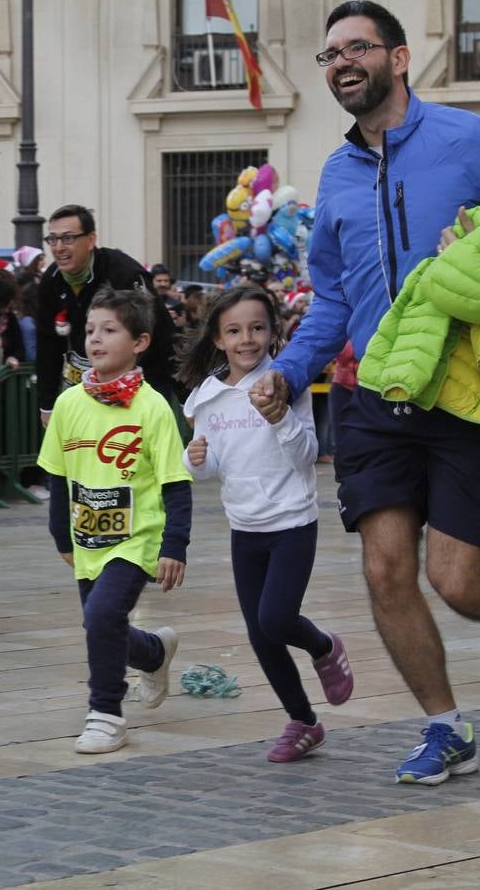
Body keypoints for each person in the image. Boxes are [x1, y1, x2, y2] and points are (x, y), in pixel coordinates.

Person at [250, 0, 480, 786]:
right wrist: (290, 371)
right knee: (385, 570)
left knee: (455, 578)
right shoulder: (333, 175)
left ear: (399, 58)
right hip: (375, 397)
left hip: (467, 392)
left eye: (357, 48)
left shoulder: (469, 141)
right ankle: (445, 725)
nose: (342, 63)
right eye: (330, 55)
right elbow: (330, 298)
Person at [178, 286, 354, 763]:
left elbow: (306, 455)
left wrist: (277, 417)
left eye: (257, 328)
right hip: (245, 527)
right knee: (260, 635)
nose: (247, 339)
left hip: (293, 521)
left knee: (275, 618)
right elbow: (208, 469)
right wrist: (194, 458)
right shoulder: (207, 398)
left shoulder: (284, 384)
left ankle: (323, 646)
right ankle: (303, 722)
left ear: (274, 332)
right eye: (234, 330)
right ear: (218, 339)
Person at [37, 286, 189, 754]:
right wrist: (61, 533)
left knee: (103, 616)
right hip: (87, 540)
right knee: (100, 624)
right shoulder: (68, 404)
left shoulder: (153, 407)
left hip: (136, 538)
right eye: (89, 331)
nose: (95, 340)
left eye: (109, 330)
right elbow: (58, 476)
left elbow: (175, 483)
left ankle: (106, 713)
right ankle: (153, 652)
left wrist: (174, 546)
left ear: (140, 342)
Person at [35, 205, 179, 426]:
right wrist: (47, 405)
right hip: (85, 387)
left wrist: (186, 398)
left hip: (139, 389)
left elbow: (163, 336)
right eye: (52, 240)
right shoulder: (51, 279)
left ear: (91, 239)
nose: (59, 248)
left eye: (68, 238)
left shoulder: (124, 274)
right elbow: (47, 345)